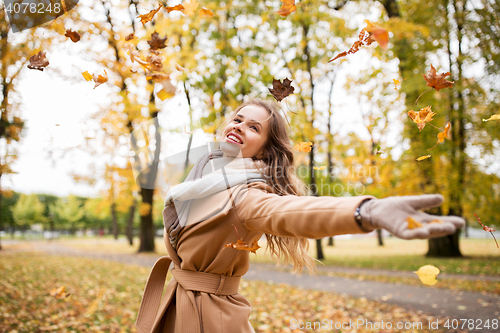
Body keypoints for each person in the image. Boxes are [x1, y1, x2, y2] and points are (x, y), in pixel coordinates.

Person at [135, 98, 465, 333]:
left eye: (253, 127)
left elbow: (292, 212)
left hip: (210, 319)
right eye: (238, 119)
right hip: (179, 304)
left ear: (263, 149)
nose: (240, 127)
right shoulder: (201, 181)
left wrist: (368, 210)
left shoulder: (247, 194)